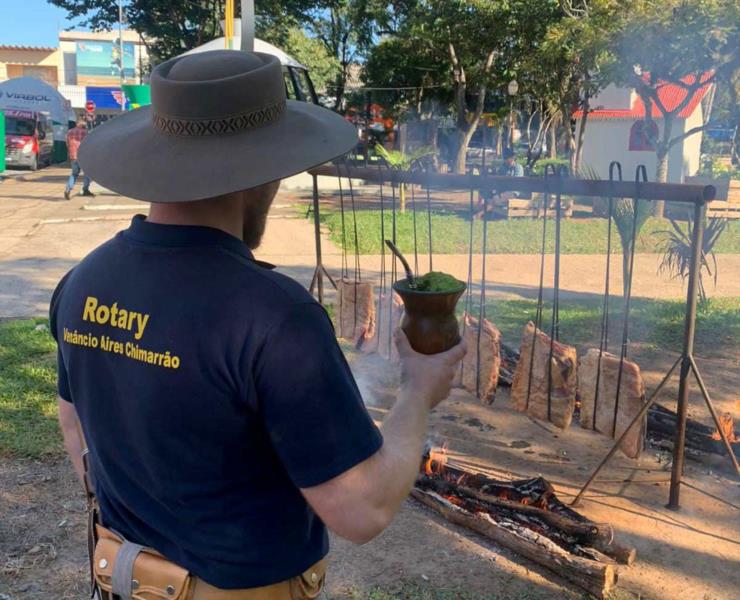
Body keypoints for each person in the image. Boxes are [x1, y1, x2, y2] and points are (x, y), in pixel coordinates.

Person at [51, 50, 466, 599]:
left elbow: (74, 425)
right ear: (262, 171)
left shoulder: (82, 282)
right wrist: (418, 391)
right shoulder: (275, 316)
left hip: (121, 583)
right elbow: (362, 509)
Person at [64, 119, 94, 200]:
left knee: (74, 174)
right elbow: (89, 144)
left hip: (73, 156)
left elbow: (67, 144)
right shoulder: (86, 132)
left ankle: (68, 189)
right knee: (87, 173)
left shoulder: (69, 132)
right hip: (83, 156)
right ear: (81, 124)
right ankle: (85, 190)